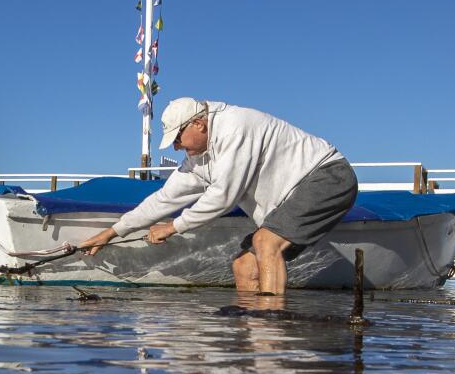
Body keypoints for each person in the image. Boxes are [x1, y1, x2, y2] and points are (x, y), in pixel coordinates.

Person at [78, 98, 357, 296]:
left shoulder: (236, 126)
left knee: (264, 241)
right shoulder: (197, 158)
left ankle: (271, 335)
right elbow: (162, 199)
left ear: (199, 123)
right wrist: (112, 232)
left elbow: (224, 195)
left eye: (178, 138)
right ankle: (254, 342)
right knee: (244, 266)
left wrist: (173, 227)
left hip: (327, 176)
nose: (177, 147)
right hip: (287, 202)